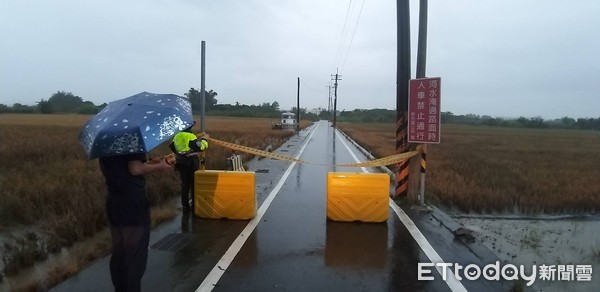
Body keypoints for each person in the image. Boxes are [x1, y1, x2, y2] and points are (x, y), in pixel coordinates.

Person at [99, 153, 172, 292]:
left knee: (119, 252)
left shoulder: (107, 142)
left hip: (114, 201)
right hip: (132, 202)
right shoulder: (131, 137)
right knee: (134, 256)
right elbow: (135, 169)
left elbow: (124, 167)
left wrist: (150, 162)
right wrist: (160, 166)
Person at [169, 124, 209, 213]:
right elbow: (201, 147)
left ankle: (185, 206)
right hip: (191, 162)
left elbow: (172, 146)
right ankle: (195, 205)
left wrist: (181, 153)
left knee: (185, 184)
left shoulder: (177, 135)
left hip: (181, 162)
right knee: (194, 183)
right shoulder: (190, 136)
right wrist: (205, 139)